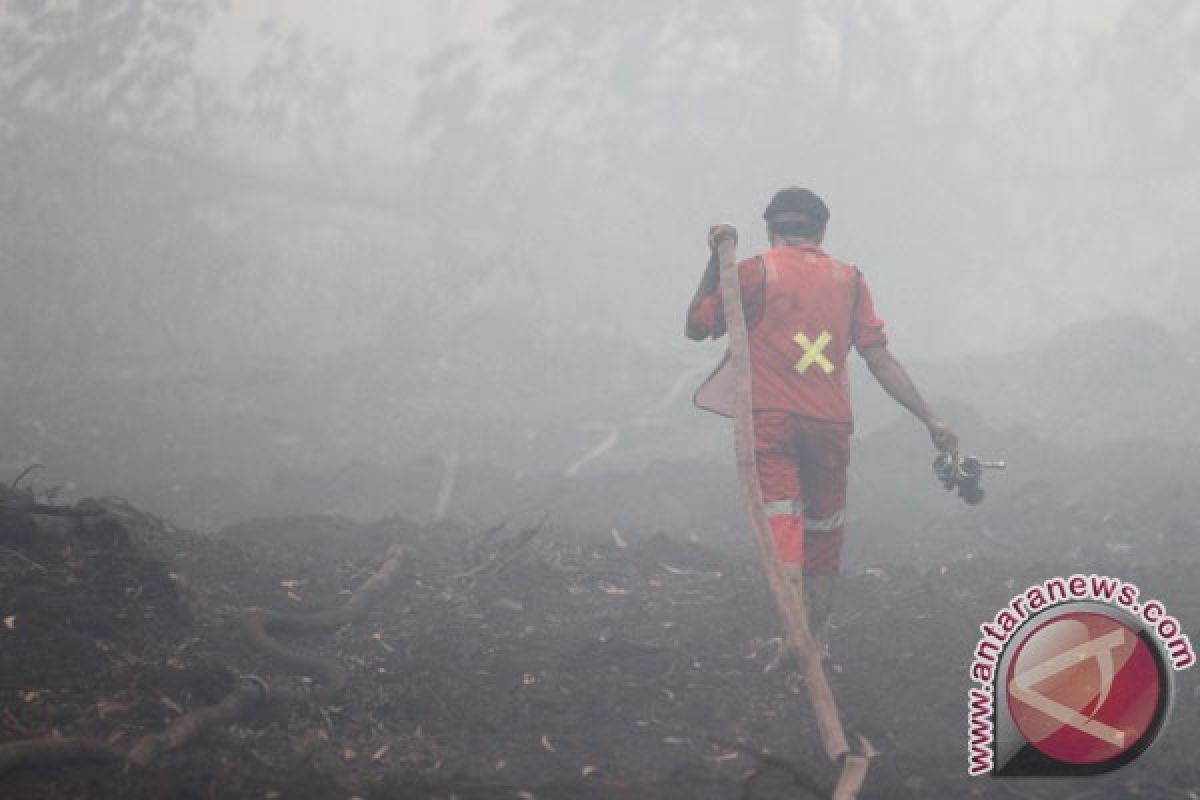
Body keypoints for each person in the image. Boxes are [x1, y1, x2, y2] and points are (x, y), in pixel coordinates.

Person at [685, 187, 957, 654]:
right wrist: (930, 417)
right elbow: (879, 358)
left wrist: (716, 260)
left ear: (771, 230)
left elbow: (697, 325)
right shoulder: (849, 280)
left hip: (771, 421)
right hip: (830, 426)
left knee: (783, 528)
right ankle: (818, 641)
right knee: (824, 531)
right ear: (821, 231)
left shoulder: (750, 273)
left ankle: (794, 645)